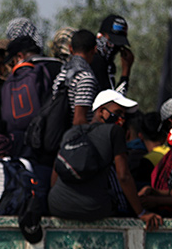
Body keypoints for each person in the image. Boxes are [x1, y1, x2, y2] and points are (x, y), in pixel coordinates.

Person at [48, 89, 162, 230]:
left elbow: (56, 171)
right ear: (101, 111)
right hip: (92, 209)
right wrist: (141, 212)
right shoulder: (114, 132)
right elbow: (124, 176)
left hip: (56, 206)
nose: (122, 119)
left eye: (124, 115)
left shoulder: (72, 133)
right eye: (118, 113)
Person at [50, 29, 100, 127]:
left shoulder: (62, 75)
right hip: (77, 137)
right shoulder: (85, 78)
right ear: (95, 49)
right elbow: (79, 120)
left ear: (70, 49)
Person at [90, 14, 135, 92]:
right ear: (100, 36)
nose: (114, 47)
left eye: (119, 44)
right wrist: (125, 71)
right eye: (111, 41)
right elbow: (111, 102)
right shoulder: (95, 62)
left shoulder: (108, 64)